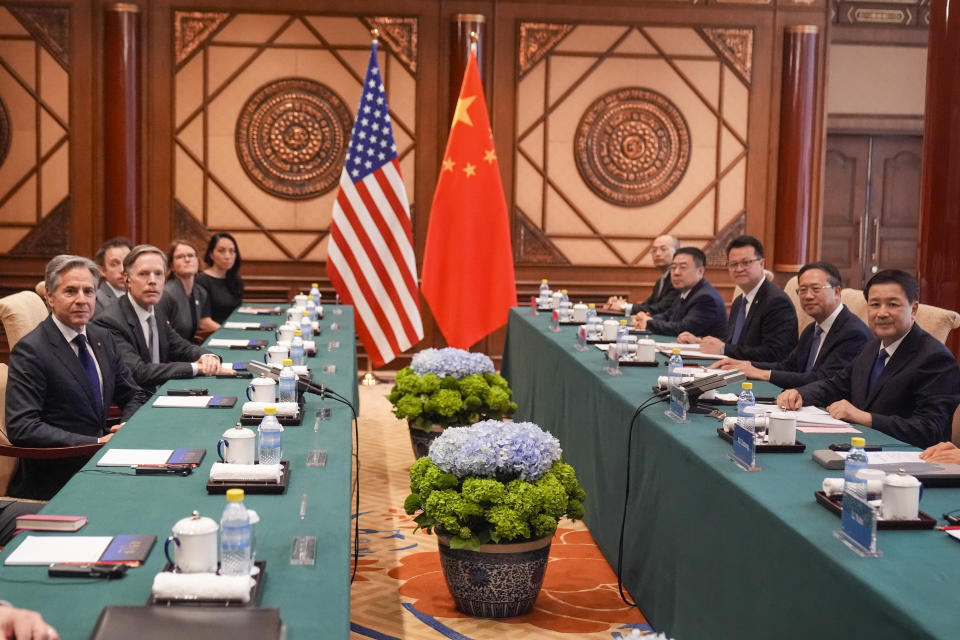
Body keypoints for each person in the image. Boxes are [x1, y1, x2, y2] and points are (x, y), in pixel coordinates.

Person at [5, 255, 147, 499]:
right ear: (50, 296)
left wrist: (126, 428)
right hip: (59, 476)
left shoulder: (102, 337)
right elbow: (23, 427)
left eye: (88, 291)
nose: (82, 300)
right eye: (70, 291)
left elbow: (133, 393)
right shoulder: (31, 350)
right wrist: (95, 441)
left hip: (103, 458)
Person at [776, 269, 960, 449]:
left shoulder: (935, 359)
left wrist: (864, 417)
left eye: (892, 305)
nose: (881, 313)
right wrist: (800, 393)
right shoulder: (873, 346)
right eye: (874, 305)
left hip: (904, 462)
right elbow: (836, 385)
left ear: (913, 309)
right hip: (860, 446)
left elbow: (931, 430)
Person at [710, 261, 871, 387]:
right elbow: (788, 365)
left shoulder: (852, 332)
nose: (808, 296)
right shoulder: (812, 329)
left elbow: (822, 379)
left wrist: (762, 374)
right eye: (802, 290)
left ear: (837, 292)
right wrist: (746, 364)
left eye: (815, 289)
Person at [93, 245, 222, 394]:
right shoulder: (110, 321)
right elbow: (139, 372)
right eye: (144, 274)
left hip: (159, 394)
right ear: (127, 279)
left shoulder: (156, 310)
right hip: (132, 404)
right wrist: (196, 367)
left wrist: (208, 357)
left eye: (158, 274)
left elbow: (181, 347)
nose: (152, 281)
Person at [678, 235, 797, 361]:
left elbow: (774, 353)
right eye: (733, 264)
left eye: (746, 263)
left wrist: (724, 349)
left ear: (762, 264)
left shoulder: (776, 302)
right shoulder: (739, 301)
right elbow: (734, 342)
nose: (739, 269)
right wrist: (700, 342)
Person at [631, 247, 727, 338]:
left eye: (683, 267)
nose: (676, 272)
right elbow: (668, 315)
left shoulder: (706, 297)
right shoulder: (686, 291)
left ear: (700, 271)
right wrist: (644, 318)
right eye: (673, 267)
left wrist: (648, 323)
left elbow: (683, 329)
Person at [157, 239, 220, 341]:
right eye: (180, 257)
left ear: (197, 261)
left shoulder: (200, 292)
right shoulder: (165, 294)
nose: (187, 259)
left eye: (191, 255)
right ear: (172, 265)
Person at [605, 234, 680, 316]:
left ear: (677, 252)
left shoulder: (678, 279)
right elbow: (648, 305)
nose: (657, 254)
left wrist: (623, 307)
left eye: (663, 249)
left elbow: (660, 308)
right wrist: (621, 305)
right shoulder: (661, 281)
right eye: (654, 250)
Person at [196, 232, 244, 324]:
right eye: (221, 251)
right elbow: (204, 322)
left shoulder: (235, 279)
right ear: (211, 254)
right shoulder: (202, 280)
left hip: (234, 327)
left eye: (232, 251)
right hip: (215, 332)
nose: (227, 256)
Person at [92, 237, 132, 316]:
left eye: (127, 262)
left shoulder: (142, 297)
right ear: (103, 271)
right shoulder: (95, 301)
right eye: (114, 264)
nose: (122, 270)